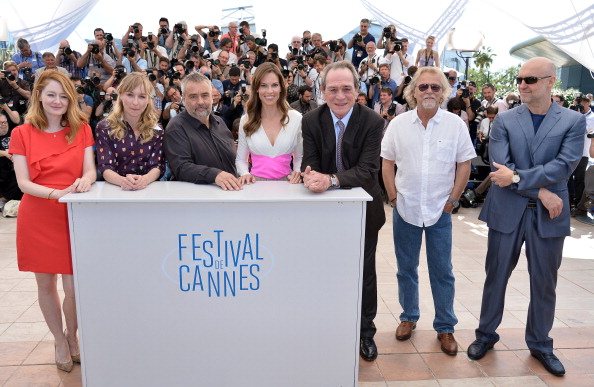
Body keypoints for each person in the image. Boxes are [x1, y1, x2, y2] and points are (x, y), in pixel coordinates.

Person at [467, 57, 586, 377]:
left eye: (530, 79)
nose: (522, 84)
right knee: (496, 277)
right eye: (520, 78)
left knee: (545, 283)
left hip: (550, 214)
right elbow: (499, 168)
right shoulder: (505, 120)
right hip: (508, 211)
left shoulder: (573, 121)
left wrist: (521, 180)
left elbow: (564, 166)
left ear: (550, 82)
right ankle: (486, 335)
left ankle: (540, 344)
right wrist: (542, 190)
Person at [381, 66, 475, 356]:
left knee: (442, 271)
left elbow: (464, 164)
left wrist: (453, 200)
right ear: (413, 92)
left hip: (440, 211)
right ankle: (409, 317)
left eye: (436, 87)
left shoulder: (455, 125)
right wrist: (394, 198)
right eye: (423, 87)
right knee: (406, 269)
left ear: (444, 92)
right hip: (405, 208)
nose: (430, 92)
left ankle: (445, 327)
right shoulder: (397, 124)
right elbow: (386, 162)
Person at [8, 71, 96, 372]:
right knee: (46, 284)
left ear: (70, 98)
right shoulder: (22, 133)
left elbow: (90, 170)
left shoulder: (81, 128)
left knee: (73, 288)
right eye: (51, 95)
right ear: (39, 97)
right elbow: (23, 183)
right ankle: (59, 340)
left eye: (63, 95)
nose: (57, 101)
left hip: (72, 215)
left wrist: (84, 182)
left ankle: (73, 336)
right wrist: (57, 193)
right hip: (39, 214)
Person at [300, 61, 385, 362]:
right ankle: (327, 329)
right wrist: (309, 175)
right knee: (325, 272)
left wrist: (331, 180)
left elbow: (368, 170)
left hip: (364, 212)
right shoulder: (311, 120)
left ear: (357, 90)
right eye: (333, 89)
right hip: (325, 214)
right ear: (322, 91)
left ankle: (365, 333)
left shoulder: (373, 122)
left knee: (365, 274)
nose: (340, 96)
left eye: (346, 89)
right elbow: (309, 161)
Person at [164, 72, 241, 190]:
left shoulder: (220, 122)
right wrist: (215, 175)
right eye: (193, 96)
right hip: (199, 203)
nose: (200, 101)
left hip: (231, 197)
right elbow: (181, 168)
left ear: (212, 97)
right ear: (183, 99)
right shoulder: (176, 128)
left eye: (205, 95)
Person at [95, 73, 164, 190]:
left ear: (148, 99)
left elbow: (157, 165)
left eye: (142, 96)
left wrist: (145, 180)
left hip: (148, 191)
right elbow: (105, 166)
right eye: (130, 95)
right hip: (115, 191)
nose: (135, 102)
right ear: (120, 95)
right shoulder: (104, 128)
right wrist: (123, 181)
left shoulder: (157, 130)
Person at [236, 63, 302, 184]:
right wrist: (245, 173)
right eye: (264, 86)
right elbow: (241, 159)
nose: (270, 91)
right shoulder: (246, 120)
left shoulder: (296, 119)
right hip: (255, 186)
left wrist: (298, 171)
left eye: (274, 85)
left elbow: (299, 157)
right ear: (256, 89)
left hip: (289, 185)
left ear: (281, 87)